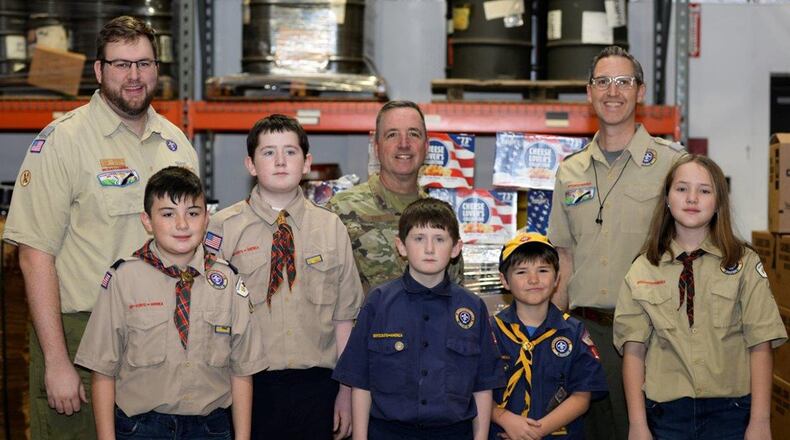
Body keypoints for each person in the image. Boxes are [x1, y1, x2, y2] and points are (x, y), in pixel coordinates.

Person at [1, 16, 198, 439]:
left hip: (163, 337)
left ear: (157, 68)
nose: (134, 76)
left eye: (144, 63)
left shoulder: (177, 144)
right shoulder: (63, 141)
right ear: (98, 70)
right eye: (121, 64)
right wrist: (57, 361)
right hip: (82, 333)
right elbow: (34, 256)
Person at [546, 45, 685, 440]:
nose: (612, 91)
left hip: (652, 334)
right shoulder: (570, 170)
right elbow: (563, 256)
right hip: (585, 334)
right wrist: (551, 334)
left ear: (640, 91)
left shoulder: (671, 165)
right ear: (589, 92)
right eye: (603, 82)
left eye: (623, 82)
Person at [74, 166, 265, 439]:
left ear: (206, 218)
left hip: (209, 428)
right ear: (147, 221)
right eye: (167, 214)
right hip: (141, 427)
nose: (182, 224)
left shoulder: (228, 281)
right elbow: (103, 371)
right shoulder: (123, 280)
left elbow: (242, 370)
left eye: (193, 213)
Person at [206, 114, 364, 440]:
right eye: (268, 152)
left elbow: (344, 318)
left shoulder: (330, 227)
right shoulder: (223, 228)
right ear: (250, 164)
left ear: (307, 163)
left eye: (290, 152)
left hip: (318, 387)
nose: (280, 161)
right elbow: (208, 318)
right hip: (246, 386)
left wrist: (346, 391)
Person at [614, 155, 787, 440]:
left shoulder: (744, 263)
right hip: (665, 415)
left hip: (731, 413)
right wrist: (637, 424)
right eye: (682, 188)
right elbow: (633, 350)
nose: (692, 198)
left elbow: (760, 343)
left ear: (718, 203)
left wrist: (760, 421)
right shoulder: (643, 268)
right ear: (667, 199)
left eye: (704, 190)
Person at [333, 198, 505, 440]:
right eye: (419, 238)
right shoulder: (378, 302)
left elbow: (483, 385)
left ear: (456, 248)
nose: (429, 249)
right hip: (389, 433)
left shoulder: (472, 307)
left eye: (440, 239)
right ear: (401, 246)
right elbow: (361, 381)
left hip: (453, 433)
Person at [327, 100, 463, 294]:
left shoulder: (440, 216)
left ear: (426, 147)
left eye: (413, 134)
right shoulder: (340, 210)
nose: (404, 144)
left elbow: (455, 293)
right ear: (377, 148)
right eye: (392, 135)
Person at [490, 232, 608, 440]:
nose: (533, 279)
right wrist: (505, 419)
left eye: (543, 270)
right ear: (504, 280)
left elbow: (582, 396)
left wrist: (536, 431)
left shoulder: (574, 332)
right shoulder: (490, 331)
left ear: (557, 278)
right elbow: (475, 390)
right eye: (521, 272)